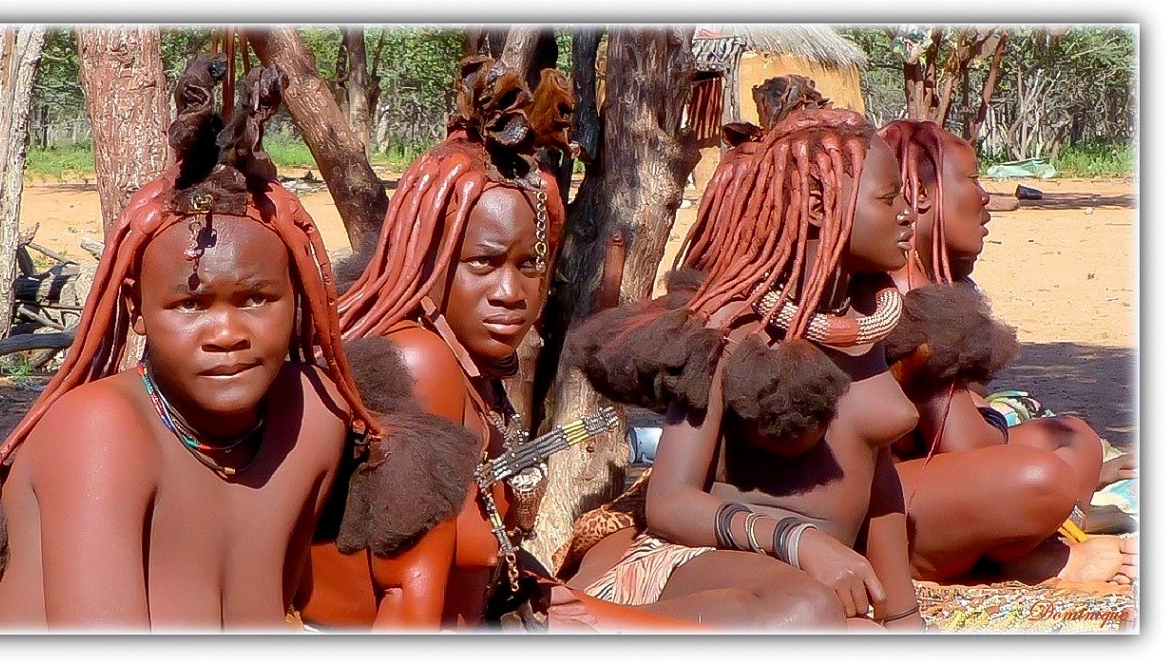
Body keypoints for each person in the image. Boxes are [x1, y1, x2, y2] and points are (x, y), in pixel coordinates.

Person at [0, 56, 444, 631]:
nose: (226, 335)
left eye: (256, 299)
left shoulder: (317, 417)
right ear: (135, 311)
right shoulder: (100, 432)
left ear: (300, 300)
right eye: (190, 304)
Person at [294, 56, 692, 633]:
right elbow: (410, 607)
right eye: (483, 263)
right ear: (429, 260)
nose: (511, 293)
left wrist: (532, 585)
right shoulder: (419, 361)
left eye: (530, 265)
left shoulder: (474, 371)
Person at [557, 107, 929, 631]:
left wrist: (902, 618)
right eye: (888, 199)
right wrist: (798, 542)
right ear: (820, 207)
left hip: (804, 588)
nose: (907, 213)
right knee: (808, 613)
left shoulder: (866, 324)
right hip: (700, 564)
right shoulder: (729, 330)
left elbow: (879, 480)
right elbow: (669, 502)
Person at [877, 119, 1137, 585]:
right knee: (1041, 477)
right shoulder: (908, 299)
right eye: (973, 179)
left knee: (1072, 436)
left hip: (917, 485)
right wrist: (996, 426)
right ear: (921, 196)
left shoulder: (931, 289)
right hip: (879, 512)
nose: (986, 199)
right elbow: (966, 447)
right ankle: (1031, 558)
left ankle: (1017, 547)